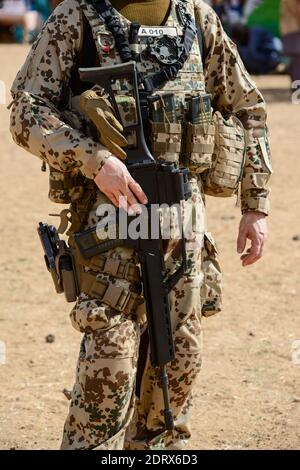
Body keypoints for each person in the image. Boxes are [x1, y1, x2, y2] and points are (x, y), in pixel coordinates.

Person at [9, 0, 272, 450]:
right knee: (106, 383)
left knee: (174, 385)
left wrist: (256, 205)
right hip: (109, 239)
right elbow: (26, 110)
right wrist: (95, 161)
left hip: (183, 237)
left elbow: (249, 110)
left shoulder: (197, 17)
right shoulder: (78, 15)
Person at [281, 0, 300, 85]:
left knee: (294, 64)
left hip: (288, 30)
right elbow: (297, 10)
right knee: (297, 64)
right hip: (294, 30)